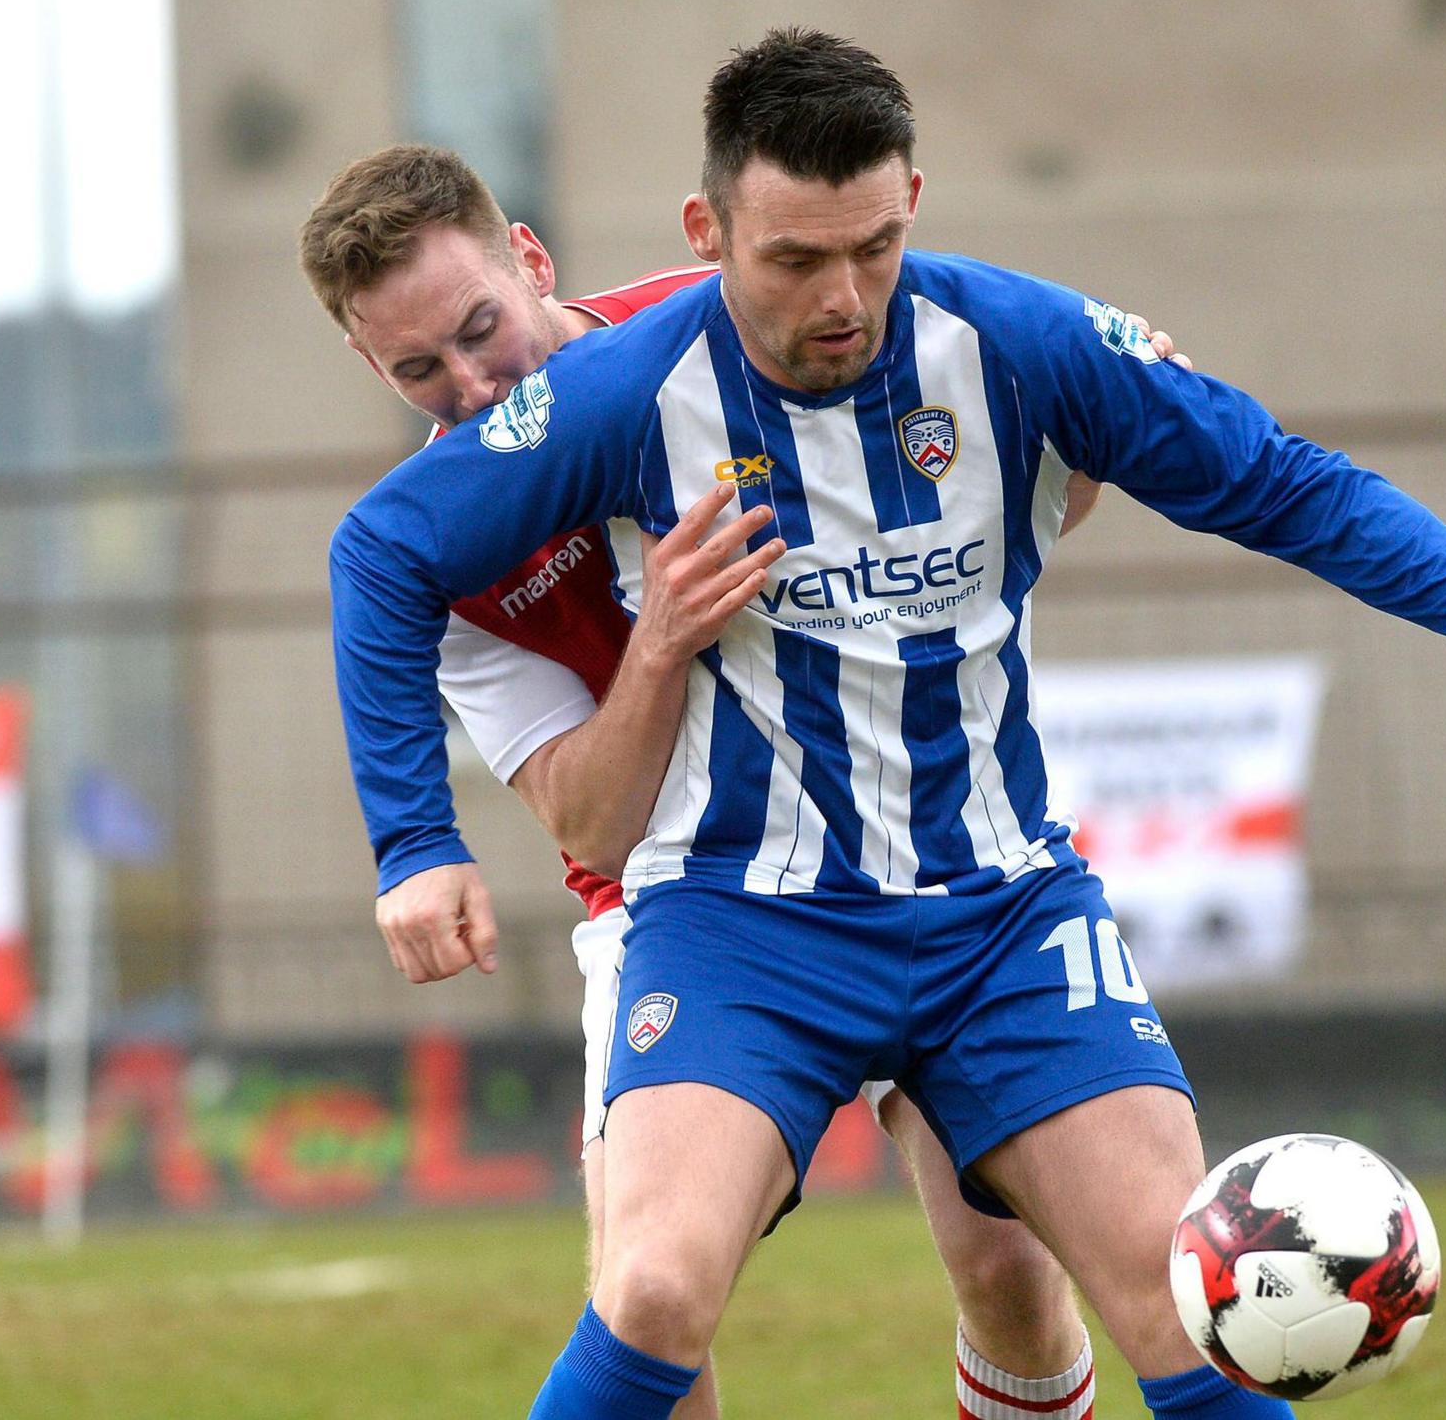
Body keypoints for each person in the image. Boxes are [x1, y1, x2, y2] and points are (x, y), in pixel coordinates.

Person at [329, 30, 1446, 1420]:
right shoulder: (614, 395)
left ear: (914, 199)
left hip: (1000, 907)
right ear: (706, 232)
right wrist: (416, 839)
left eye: (876, 246)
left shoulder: (1019, 339)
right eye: (793, 262)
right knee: (655, 1293)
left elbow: (1278, 479)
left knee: (1177, 1304)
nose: (842, 298)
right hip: (739, 915)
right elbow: (381, 552)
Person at [299, 144, 1113, 1419]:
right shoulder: (441, 551)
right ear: (368, 367)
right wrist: (664, 640)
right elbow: (594, 824)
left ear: (533, 260)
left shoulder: (725, 331)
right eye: (418, 370)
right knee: (655, 1304)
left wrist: (1107, 405)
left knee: (1007, 1259)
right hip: (680, 906)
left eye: (480, 331)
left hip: (914, 858)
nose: (468, 387)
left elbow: (992, 479)